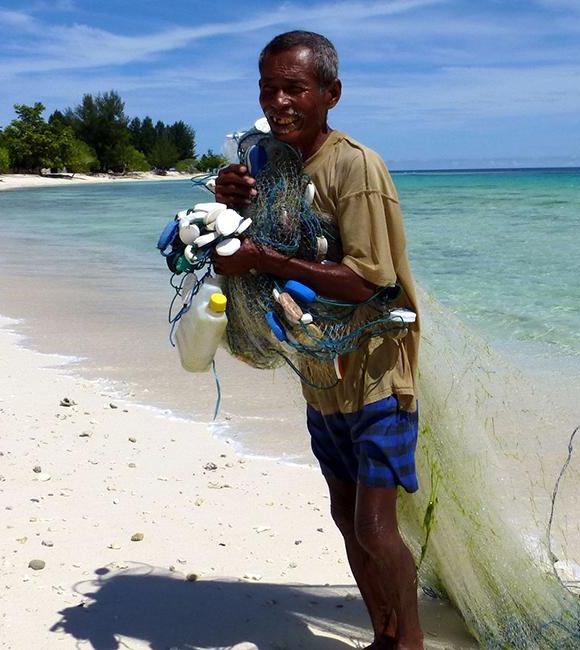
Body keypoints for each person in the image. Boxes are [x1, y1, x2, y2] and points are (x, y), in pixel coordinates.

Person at [212, 31, 424, 650]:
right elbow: (266, 240)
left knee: (375, 526)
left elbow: (367, 279)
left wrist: (262, 259)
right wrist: (232, 204)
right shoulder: (273, 163)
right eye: (268, 88)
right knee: (342, 513)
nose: (279, 101)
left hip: (379, 369)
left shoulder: (356, 167)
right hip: (321, 371)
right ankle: (383, 635)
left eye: (295, 88)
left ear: (330, 94)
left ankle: (408, 641)